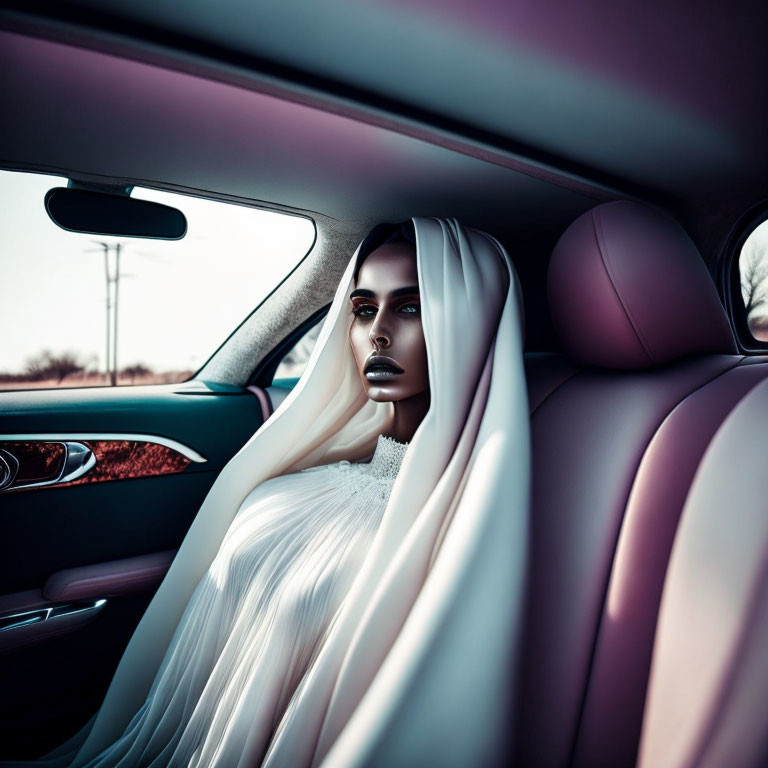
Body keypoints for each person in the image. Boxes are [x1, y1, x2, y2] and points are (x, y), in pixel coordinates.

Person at [2, 217, 530, 767]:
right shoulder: (289, 492)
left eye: (411, 307)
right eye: (363, 308)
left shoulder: (465, 526)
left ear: (471, 324)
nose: (377, 332)